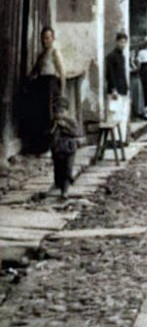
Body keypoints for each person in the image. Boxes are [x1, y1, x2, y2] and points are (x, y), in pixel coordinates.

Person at [29, 26, 66, 154]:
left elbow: (61, 73)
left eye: (48, 38)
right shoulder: (42, 54)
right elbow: (35, 70)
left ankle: (51, 147)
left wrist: (62, 92)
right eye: (43, 38)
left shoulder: (55, 52)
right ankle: (42, 146)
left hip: (51, 84)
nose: (45, 41)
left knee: (50, 115)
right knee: (40, 115)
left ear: (53, 38)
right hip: (41, 84)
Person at [49, 97, 79, 198]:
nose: (60, 114)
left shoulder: (71, 121)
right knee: (58, 168)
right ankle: (58, 183)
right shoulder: (54, 121)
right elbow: (50, 133)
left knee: (67, 168)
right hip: (57, 148)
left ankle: (64, 190)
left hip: (69, 147)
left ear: (67, 111)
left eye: (62, 111)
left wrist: (65, 127)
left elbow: (76, 133)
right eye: (57, 112)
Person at [105, 31, 130, 143]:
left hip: (123, 89)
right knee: (114, 115)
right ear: (116, 42)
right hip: (115, 90)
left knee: (122, 115)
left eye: (125, 42)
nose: (123, 44)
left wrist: (126, 88)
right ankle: (113, 140)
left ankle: (121, 139)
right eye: (121, 42)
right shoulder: (111, 57)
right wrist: (113, 89)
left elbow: (123, 74)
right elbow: (110, 74)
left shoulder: (122, 57)